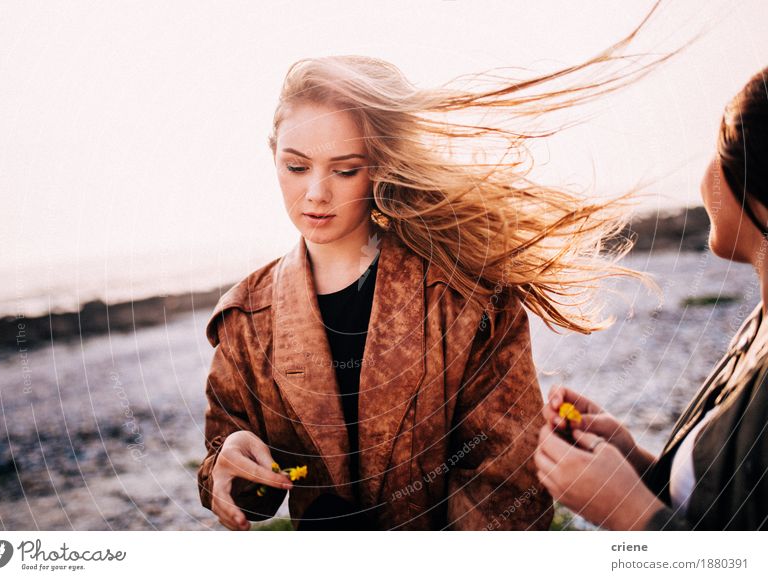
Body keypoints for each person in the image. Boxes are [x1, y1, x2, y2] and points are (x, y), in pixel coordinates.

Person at [197, 9, 671, 531]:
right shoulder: (244, 319)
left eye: (345, 168)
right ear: (273, 156)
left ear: (383, 165)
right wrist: (231, 463)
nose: (315, 192)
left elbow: (506, 488)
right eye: (295, 166)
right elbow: (253, 497)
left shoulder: (468, 295)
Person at [535, 66, 768, 531]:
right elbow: (728, 507)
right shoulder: (758, 327)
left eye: (717, 148)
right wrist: (636, 463)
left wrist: (629, 513)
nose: (705, 174)